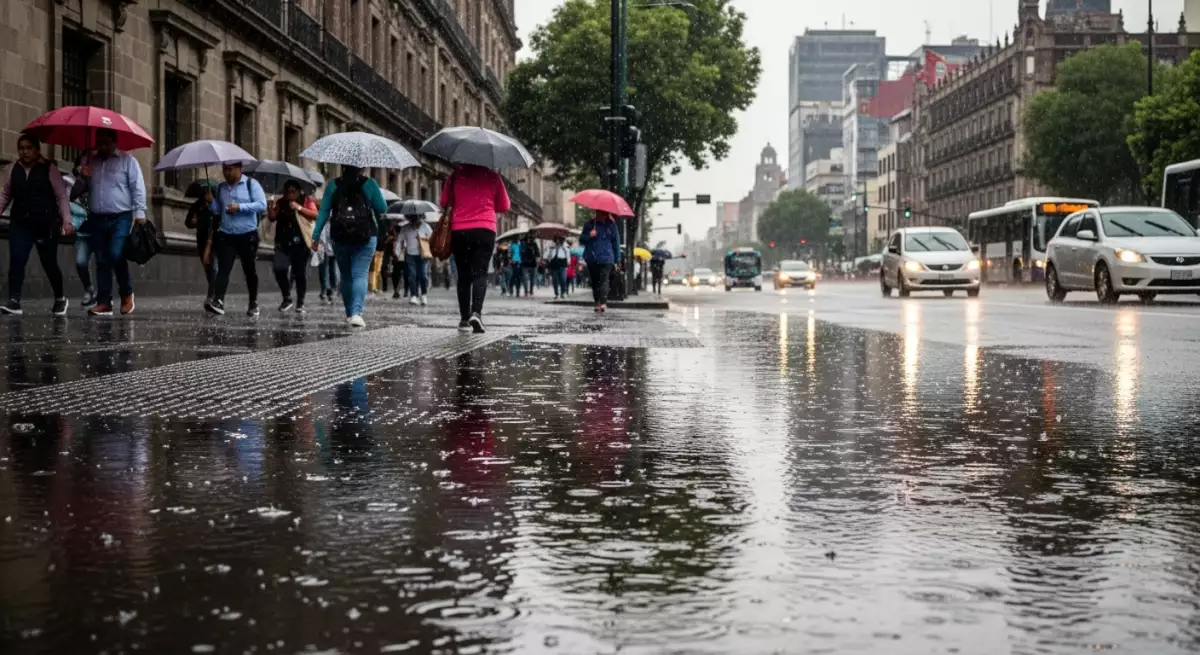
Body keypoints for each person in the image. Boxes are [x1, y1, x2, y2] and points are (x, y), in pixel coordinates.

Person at [0, 134, 73, 316]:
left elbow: (61, 196)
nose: (25, 152)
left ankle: (60, 298)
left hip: (45, 224)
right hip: (20, 223)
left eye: (28, 148)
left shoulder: (49, 169)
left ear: (37, 150)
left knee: (49, 263)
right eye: (21, 148)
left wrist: (66, 221)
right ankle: (14, 301)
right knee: (17, 259)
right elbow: (5, 195)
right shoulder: (13, 169)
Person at [77, 127, 147, 317]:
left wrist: (140, 213)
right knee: (101, 259)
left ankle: (126, 293)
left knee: (116, 254)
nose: (102, 146)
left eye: (106, 142)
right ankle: (104, 302)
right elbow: (77, 191)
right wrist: (82, 176)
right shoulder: (90, 160)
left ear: (115, 142)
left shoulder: (128, 161)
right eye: (99, 142)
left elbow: (137, 188)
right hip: (97, 217)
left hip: (121, 216)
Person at [311, 166, 389, 328]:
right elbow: (382, 208)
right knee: (360, 274)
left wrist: (316, 236)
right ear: (361, 167)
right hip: (366, 235)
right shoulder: (370, 184)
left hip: (340, 236)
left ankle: (349, 313)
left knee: (346, 275)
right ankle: (356, 313)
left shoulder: (333, 184)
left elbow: (324, 212)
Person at [441, 163, 510, 333]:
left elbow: (444, 202)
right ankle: (476, 313)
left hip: (460, 229)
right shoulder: (493, 176)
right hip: (485, 229)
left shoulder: (456, 175)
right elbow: (504, 206)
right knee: (480, 273)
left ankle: (464, 319)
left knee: (463, 275)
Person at [205, 162, 267, 317]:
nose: (226, 172)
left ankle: (253, 302)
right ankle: (218, 300)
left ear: (239, 169)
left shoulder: (251, 184)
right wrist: (211, 202)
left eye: (230, 169)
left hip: (248, 234)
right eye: (224, 169)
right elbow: (218, 211)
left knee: (249, 270)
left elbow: (262, 205)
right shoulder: (221, 188)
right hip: (227, 235)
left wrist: (240, 207)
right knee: (223, 269)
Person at [268, 179, 318, 312]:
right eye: (286, 191)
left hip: (300, 243)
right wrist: (270, 206)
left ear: (298, 191)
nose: (289, 194)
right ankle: (287, 297)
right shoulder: (280, 202)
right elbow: (272, 217)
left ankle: (300, 302)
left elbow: (315, 215)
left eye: (292, 191)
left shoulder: (305, 200)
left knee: (300, 273)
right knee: (279, 269)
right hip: (283, 242)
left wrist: (299, 208)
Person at [579, 211, 622, 313]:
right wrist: (589, 235)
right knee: (595, 282)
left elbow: (616, 242)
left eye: (603, 213)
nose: (601, 215)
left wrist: (618, 259)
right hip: (592, 258)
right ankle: (597, 302)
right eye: (599, 213)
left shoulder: (611, 225)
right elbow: (581, 240)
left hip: (606, 258)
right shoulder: (589, 224)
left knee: (604, 280)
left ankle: (603, 302)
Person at [184, 184, 218, 304]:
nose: (207, 195)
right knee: (208, 268)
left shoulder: (217, 205)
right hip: (202, 239)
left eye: (209, 192)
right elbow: (188, 222)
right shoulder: (197, 205)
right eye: (205, 192)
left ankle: (211, 295)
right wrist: (197, 222)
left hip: (215, 239)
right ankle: (214, 290)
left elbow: (219, 219)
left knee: (214, 267)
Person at [398, 213, 433, 305]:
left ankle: (424, 295)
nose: (414, 219)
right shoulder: (405, 228)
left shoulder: (426, 227)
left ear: (420, 217)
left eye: (416, 217)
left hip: (423, 255)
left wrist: (423, 238)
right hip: (410, 254)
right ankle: (414, 295)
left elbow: (432, 238)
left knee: (423, 275)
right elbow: (400, 240)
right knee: (412, 275)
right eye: (412, 217)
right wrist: (398, 253)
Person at [316, 223, 338, 303]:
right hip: (323, 236)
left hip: (332, 235)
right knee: (323, 265)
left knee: (331, 265)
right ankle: (325, 288)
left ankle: (331, 288)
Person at [546, 236, 570, 300]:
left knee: (563, 279)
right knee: (555, 280)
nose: (558, 241)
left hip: (562, 263)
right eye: (556, 240)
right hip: (554, 264)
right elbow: (548, 255)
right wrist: (548, 258)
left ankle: (563, 292)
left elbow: (568, 254)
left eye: (559, 240)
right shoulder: (552, 247)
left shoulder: (565, 246)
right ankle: (556, 294)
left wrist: (568, 262)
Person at [520, 233, 540, 297]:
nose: (529, 238)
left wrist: (537, 258)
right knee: (525, 278)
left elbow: (538, 253)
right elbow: (521, 252)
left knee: (532, 278)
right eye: (528, 237)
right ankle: (526, 292)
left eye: (530, 237)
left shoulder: (534, 243)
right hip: (525, 263)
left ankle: (531, 291)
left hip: (532, 263)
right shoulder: (523, 243)